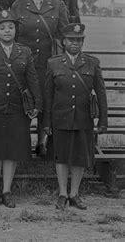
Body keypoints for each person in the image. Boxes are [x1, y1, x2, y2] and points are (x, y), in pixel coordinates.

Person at [0, 10, 42, 208]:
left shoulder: (25, 52)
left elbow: (32, 79)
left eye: (10, 27)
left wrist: (37, 104)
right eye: (3, 28)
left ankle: (7, 191)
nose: (7, 31)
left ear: (15, 30)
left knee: (13, 150)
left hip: (17, 108)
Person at [43, 23, 107, 210]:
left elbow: (101, 93)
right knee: (61, 157)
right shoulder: (53, 63)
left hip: (83, 118)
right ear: (64, 41)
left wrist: (103, 121)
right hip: (60, 117)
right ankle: (62, 193)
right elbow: (48, 96)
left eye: (79, 40)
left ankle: (75, 194)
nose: (75, 44)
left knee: (80, 157)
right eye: (71, 40)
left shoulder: (92, 63)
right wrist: (46, 122)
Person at [10, 0, 69, 151]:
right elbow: (11, 33)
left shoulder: (57, 5)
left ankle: (42, 142)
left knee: (45, 100)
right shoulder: (19, 5)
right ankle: (22, 143)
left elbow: (64, 34)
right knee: (24, 101)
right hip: (23, 64)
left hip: (48, 63)